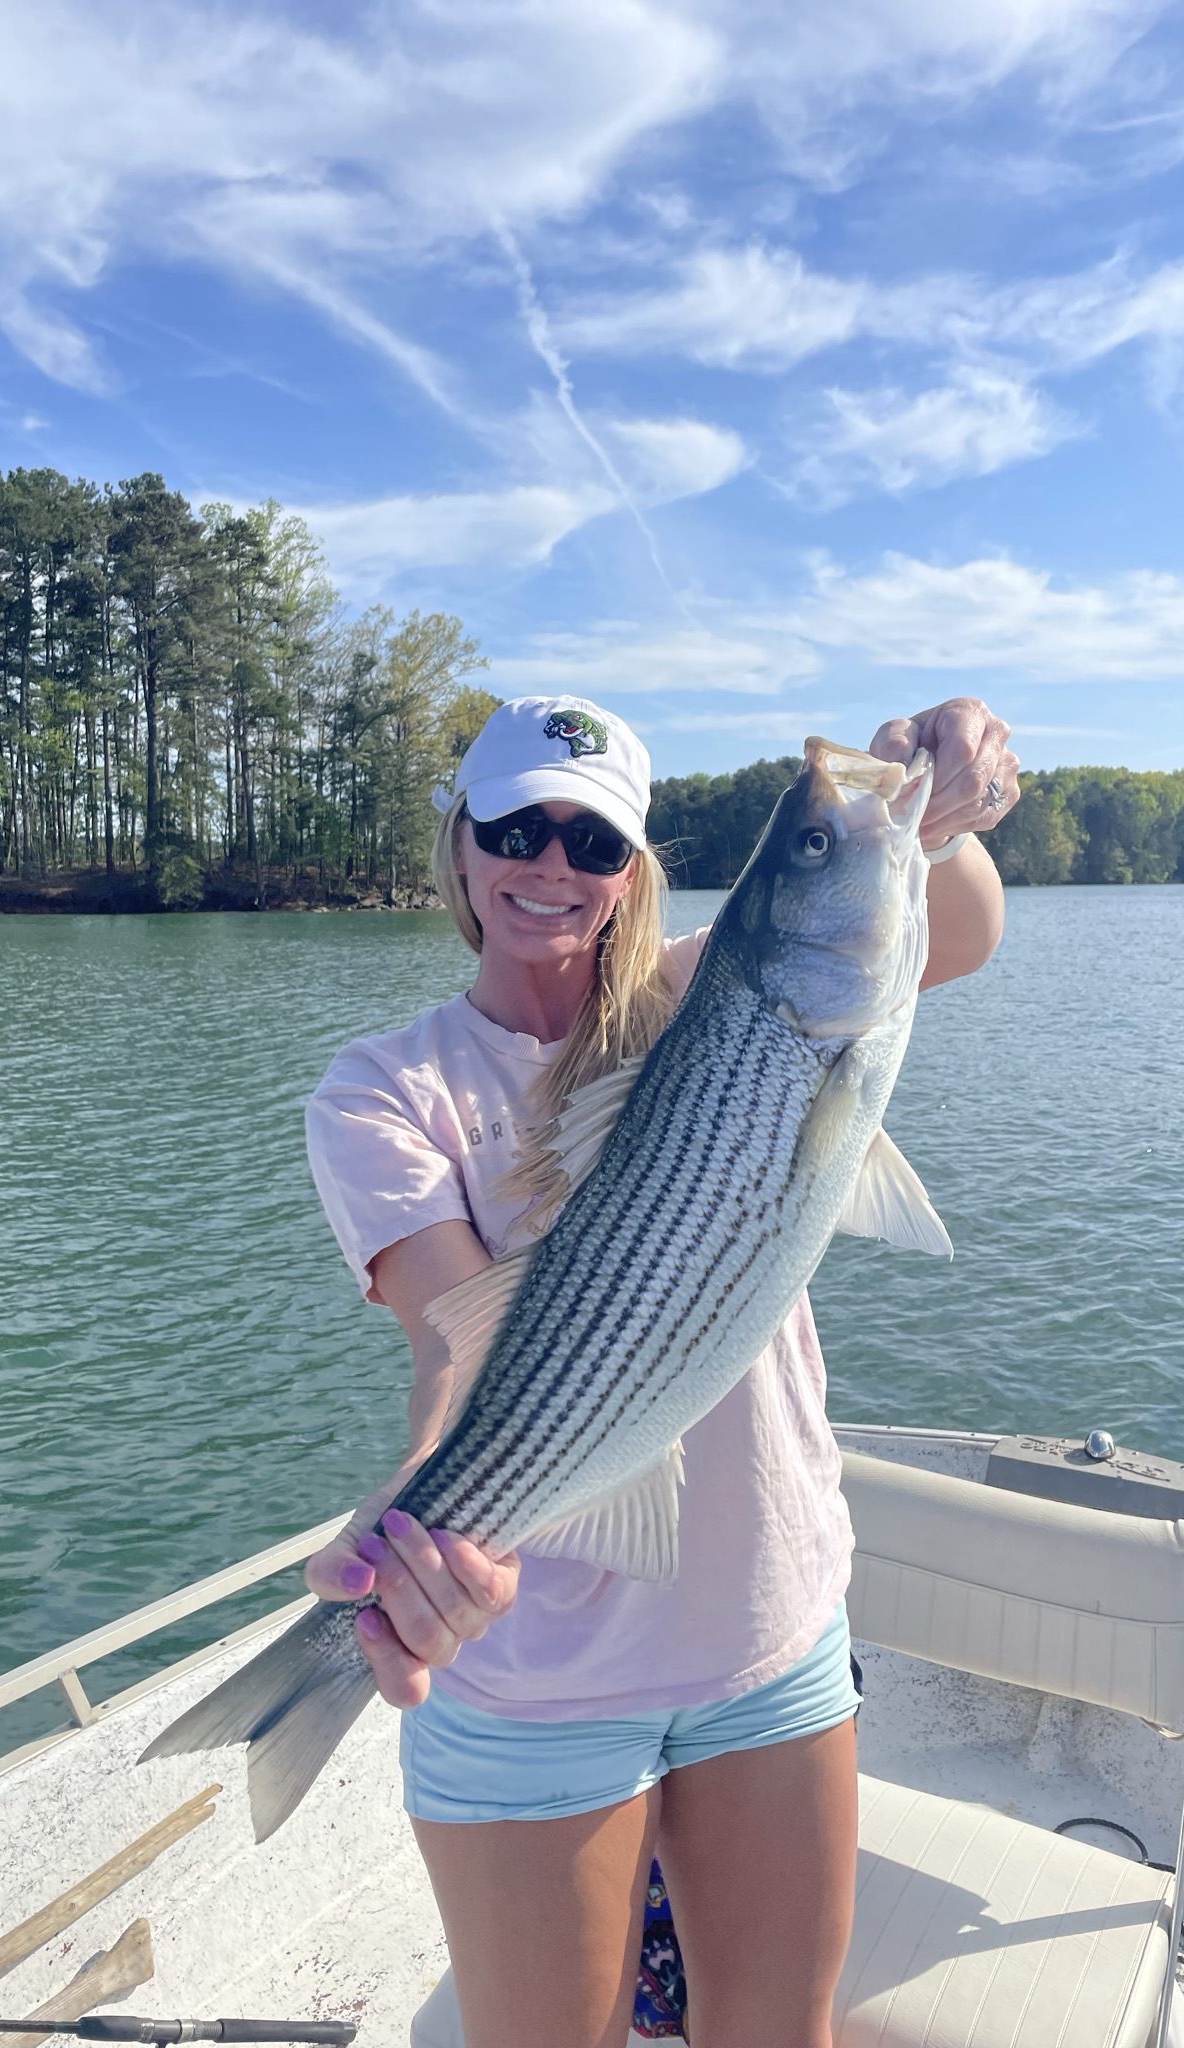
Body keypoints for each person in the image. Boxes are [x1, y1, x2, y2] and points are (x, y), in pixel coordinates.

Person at [303, 694, 1019, 2048]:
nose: (550, 864)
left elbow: (964, 928)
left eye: (592, 840)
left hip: (767, 1630)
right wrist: (428, 1520)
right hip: (531, 1674)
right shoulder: (382, 1089)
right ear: (460, 846)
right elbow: (455, 1345)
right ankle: (317, 1672)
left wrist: (942, 804)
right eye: (516, 827)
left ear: (632, 869)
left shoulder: (703, 995)